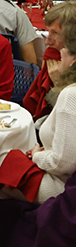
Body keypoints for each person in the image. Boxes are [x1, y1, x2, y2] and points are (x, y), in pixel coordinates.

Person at [20, 30, 76, 204]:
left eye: (64, 47)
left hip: (65, 188)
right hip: (66, 177)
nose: (58, 51)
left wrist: (37, 156)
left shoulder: (71, 95)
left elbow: (63, 163)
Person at [23, 2, 76, 120]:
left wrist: (59, 84)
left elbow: (69, 115)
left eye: (55, 33)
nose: (46, 42)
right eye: (48, 32)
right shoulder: (53, 55)